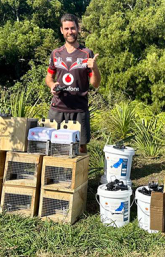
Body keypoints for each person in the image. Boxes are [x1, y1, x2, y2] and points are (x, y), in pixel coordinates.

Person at [45, 14, 101, 153]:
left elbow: (95, 83)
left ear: (78, 29)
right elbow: (49, 77)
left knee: (81, 146)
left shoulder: (87, 53)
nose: (70, 32)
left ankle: (80, 175)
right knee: (52, 145)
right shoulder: (55, 53)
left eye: (73, 28)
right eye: (67, 29)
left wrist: (94, 68)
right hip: (58, 107)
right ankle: (56, 174)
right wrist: (52, 85)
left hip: (79, 108)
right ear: (61, 30)